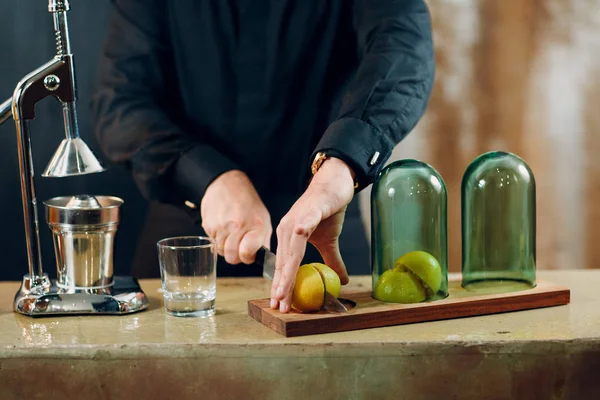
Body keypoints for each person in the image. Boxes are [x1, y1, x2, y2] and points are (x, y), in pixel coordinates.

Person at [91, 0, 435, 313]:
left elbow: (403, 49)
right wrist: (208, 177)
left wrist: (341, 165)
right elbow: (119, 101)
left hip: (323, 228)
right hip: (185, 253)